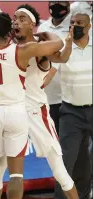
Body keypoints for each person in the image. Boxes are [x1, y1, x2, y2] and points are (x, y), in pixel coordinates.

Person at [0, 5, 83, 199]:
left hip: (36, 110)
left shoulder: (40, 48)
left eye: (22, 19)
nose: (16, 22)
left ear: (32, 25)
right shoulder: (7, 45)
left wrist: (59, 42)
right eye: (14, 18)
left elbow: (62, 58)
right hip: (11, 110)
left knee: (58, 167)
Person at [0, 12, 64, 199]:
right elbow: (58, 45)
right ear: (10, 30)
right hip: (15, 112)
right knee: (16, 174)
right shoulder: (22, 51)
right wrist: (46, 34)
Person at [53, 12, 92, 199]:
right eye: (73, 23)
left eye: (80, 23)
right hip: (71, 112)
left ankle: (85, 198)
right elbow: (56, 64)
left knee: (86, 159)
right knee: (66, 158)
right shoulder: (62, 46)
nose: (75, 26)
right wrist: (67, 44)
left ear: (89, 26)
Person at [37, 1, 71, 134]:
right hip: (50, 96)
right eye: (53, 2)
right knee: (54, 138)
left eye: (60, 2)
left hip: (71, 95)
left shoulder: (76, 25)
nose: (56, 4)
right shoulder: (43, 28)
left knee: (76, 143)